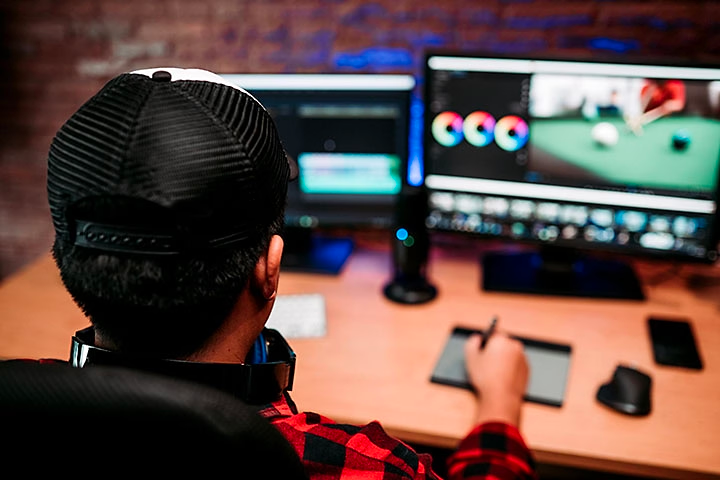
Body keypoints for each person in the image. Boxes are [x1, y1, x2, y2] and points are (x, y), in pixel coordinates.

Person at [39, 67, 537, 479]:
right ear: (269, 268)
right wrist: (498, 403)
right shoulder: (367, 469)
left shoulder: (22, 400)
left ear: (66, 259)